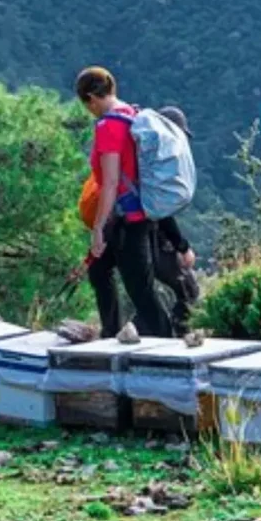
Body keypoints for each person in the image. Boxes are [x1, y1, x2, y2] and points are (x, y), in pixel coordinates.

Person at [76, 66, 172, 339]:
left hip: (126, 219)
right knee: (99, 269)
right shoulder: (131, 114)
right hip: (135, 213)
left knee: (140, 289)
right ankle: (110, 334)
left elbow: (109, 183)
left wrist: (98, 228)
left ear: (91, 99)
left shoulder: (108, 126)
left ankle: (170, 343)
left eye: (87, 105)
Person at [152, 106, 200, 335]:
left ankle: (142, 332)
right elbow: (162, 213)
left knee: (144, 295)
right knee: (188, 290)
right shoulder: (156, 162)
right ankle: (178, 338)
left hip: (128, 233)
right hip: (151, 236)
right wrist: (182, 246)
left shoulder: (147, 153)